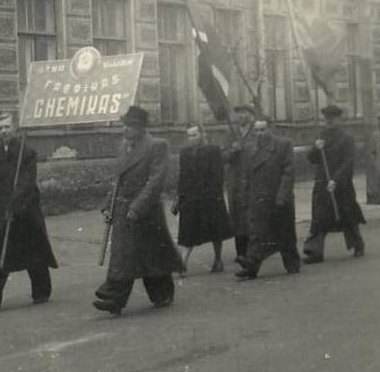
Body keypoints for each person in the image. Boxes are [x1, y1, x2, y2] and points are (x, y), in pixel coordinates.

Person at [93, 106, 184, 316]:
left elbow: (155, 181)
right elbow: (117, 180)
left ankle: (122, 296)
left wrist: (137, 207)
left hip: (145, 211)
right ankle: (119, 297)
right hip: (123, 208)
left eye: (131, 126)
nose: (125, 130)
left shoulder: (156, 146)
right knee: (133, 254)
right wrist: (109, 205)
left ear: (141, 128)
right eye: (124, 125)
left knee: (145, 253)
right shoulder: (124, 146)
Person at [0, 112, 58, 312]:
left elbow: (27, 184)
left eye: (7, 127)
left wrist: (15, 205)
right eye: (0, 128)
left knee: (33, 254)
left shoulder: (26, 153)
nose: (4, 131)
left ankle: (42, 291)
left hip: (24, 212)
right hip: (1, 213)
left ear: (15, 129)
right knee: (1, 254)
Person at [235, 116, 301, 279]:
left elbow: (288, 172)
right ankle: (251, 266)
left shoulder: (283, 145)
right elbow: (245, 175)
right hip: (258, 199)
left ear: (270, 129)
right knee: (257, 234)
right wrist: (244, 198)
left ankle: (292, 263)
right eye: (256, 130)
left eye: (263, 130)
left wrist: (282, 195)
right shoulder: (250, 149)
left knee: (284, 233)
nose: (259, 134)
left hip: (278, 197)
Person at [303, 105, 366, 264]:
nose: (329, 122)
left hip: (341, 184)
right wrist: (316, 148)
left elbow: (348, 162)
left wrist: (336, 180)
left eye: (332, 119)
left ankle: (357, 244)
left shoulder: (346, 138)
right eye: (326, 119)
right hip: (322, 183)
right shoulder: (321, 136)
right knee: (319, 217)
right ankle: (315, 251)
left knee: (347, 216)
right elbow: (311, 159)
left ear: (339, 119)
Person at [172, 123, 232, 274]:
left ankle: (218, 259)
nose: (192, 138)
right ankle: (182, 264)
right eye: (189, 136)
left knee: (215, 230)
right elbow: (183, 176)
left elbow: (218, 175)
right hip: (190, 197)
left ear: (202, 134)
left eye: (195, 135)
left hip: (210, 196)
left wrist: (212, 192)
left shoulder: (213, 151)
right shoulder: (185, 153)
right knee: (187, 231)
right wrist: (178, 196)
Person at [225, 104, 257, 260]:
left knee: (251, 214)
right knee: (237, 216)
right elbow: (223, 157)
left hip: (253, 178)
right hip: (236, 181)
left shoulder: (257, 132)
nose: (240, 117)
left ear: (251, 116)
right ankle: (240, 252)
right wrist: (232, 151)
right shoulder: (231, 134)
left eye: (243, 114)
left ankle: (253, 250)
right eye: (237, 114)